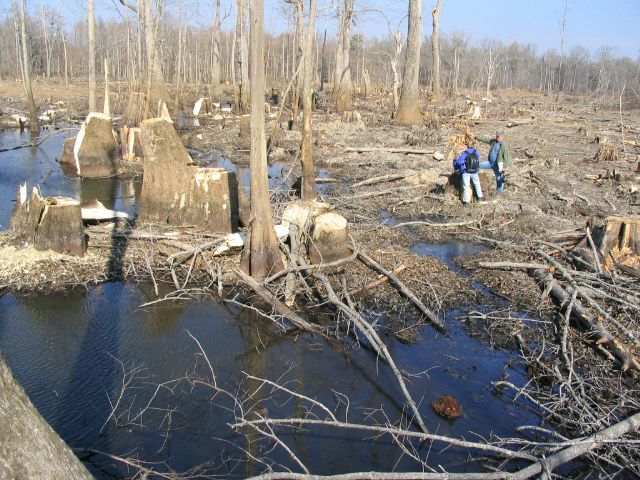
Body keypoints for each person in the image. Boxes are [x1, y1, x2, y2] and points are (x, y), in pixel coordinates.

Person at [453, 139, 485, 207]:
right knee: (477, 184)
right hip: (475, 171)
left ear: (467, 145)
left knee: (466, 186)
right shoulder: (477, 152)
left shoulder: (465, 153)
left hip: (466, 172)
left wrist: (456, 159)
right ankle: (480, 197)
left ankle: (467, 202)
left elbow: (459, 162)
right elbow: (478, 161)